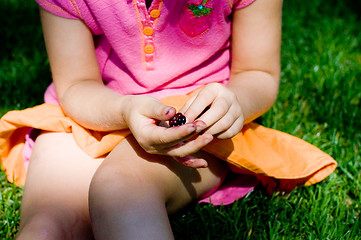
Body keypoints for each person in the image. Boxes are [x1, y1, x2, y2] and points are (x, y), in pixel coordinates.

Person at [0, 0, 336, 239]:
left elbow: (257, 73)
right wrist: (123, 111)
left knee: (120, 193)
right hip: (91, 113)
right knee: (45, 230)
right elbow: (77, 85)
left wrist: (234, 103)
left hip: (193, 124)